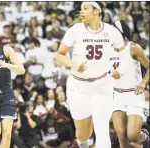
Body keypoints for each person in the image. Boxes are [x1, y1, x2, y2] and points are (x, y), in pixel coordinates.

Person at [55, 2, 125, 148]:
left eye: (85, 8)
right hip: (78, 85)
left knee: (102, 128)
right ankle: (83, 144)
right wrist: (75, 65)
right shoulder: (75, 30)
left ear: (96, 11)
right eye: (81, 9)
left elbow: (124, 56)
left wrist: (119, 70)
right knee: (83, 134)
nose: (82, 12)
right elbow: (59, 55)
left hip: (102, 84)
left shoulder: (112, 32)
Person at [111, 20, 149, 148]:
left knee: (132, 135)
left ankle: (144, 136)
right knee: (121, 135)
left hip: (134, 93)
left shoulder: (133, 47)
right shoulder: (107, 49)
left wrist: (143, 82)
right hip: (116, 94)